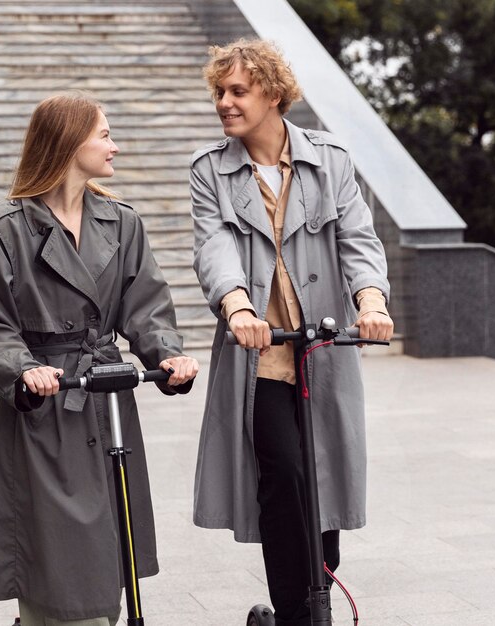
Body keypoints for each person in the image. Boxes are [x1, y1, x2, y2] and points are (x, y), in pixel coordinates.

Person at [0, 90, 198, 626]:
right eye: (105, 134)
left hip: (104, 396)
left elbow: (148, 306)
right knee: (56, 561)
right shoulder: (5, 227)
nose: (115, 145)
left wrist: (170, 356)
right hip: (46, 404)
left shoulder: (121, 221)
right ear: (70, 143)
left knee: (107, 549)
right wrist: (23, 368)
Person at [190, 39, 394, 626]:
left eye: (237, 92)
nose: (224, 103)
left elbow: (358, 239)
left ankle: (316, 600)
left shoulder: (328, 160)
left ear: (273, 95)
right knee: (283, 475)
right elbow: (214, 246)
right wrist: (237, 309)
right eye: (220, 93)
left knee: (323, 478)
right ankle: (296, 613)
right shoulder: (211, 171)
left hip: (323, 352)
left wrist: (372, 301)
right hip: (261, 358)